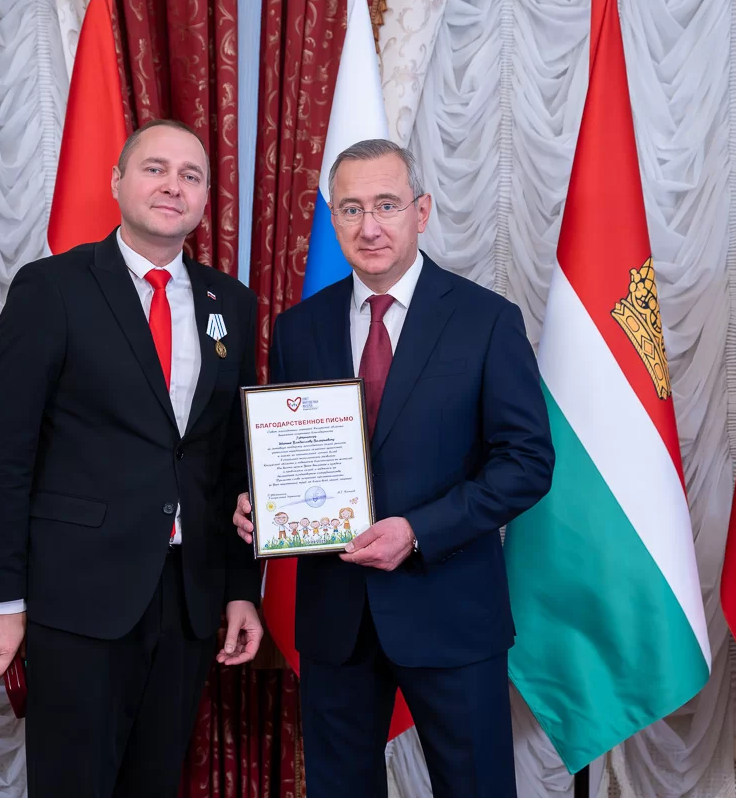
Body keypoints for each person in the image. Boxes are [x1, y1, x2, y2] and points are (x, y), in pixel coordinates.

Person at [234, 139, 554, 797]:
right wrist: (261, 501)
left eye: (386, 205)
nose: (369, 226)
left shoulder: (485, 320)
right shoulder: (299, 328)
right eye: (351, 209)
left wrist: (417, 530)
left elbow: (526, 462)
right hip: (336, 618)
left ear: (421, 211)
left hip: (451, 609)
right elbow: (290, 452)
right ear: (334, 220)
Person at [0, 119, 263, 797]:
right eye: (155, 168)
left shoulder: (231, 304)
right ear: (117, 181)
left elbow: (232, 460)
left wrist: (241, 589)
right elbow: (1, 451)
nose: (173, 185)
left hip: (188, 599)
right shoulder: (51, 289)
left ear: (205, 198)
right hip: (79, 597)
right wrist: (3, 598)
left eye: (191, 175)